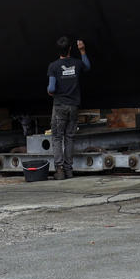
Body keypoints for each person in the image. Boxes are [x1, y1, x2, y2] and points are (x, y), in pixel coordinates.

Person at [45, 36, 90, 180]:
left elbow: (51, 88)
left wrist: (49, 91)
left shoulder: (53, 66)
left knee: (57, 137)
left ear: (58, 50)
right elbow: (87, 67)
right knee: (69, 137)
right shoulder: (77, 63)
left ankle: (59, 170)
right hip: (73, 106)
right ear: (70, 48)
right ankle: (69, 170)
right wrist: (82, 51)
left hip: (59, 107)